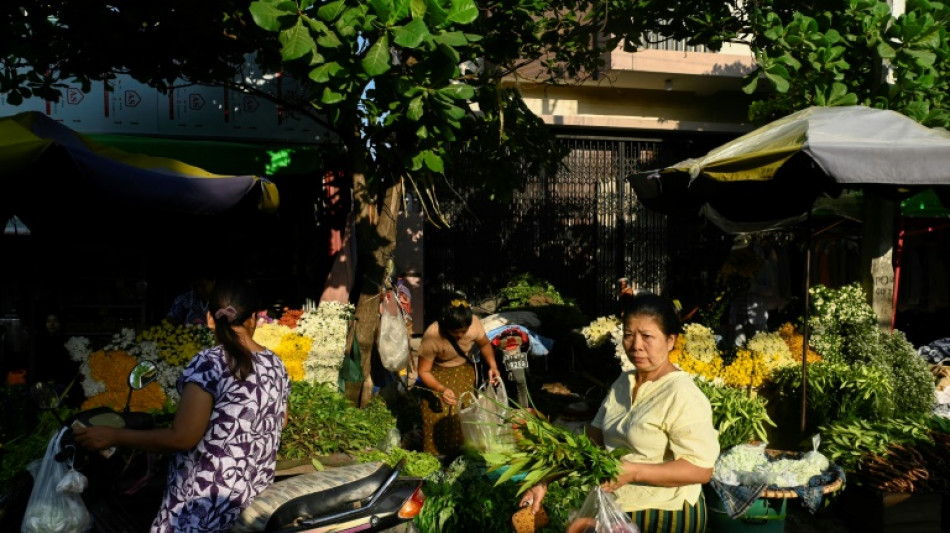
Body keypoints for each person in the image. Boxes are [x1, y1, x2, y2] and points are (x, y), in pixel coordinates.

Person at [75, 279, 290, 532]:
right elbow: (280, 420)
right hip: (252, 504)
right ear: (254, 318)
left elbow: (183, 438)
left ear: (210, 318)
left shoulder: (209, 362)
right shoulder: (275, 364)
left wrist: (114, 435)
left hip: (203, 506)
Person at [519, 293, 719, 533]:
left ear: (670, 341)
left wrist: (633, 471)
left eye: (647, 336)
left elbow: (701, 469)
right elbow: (591, 445)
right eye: (628, 335)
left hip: (666, 515)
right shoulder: (624, 382)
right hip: (618, 510)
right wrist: (544, 481)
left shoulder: (681, 393)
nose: (636, 345)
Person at [416, 295, 501, 458]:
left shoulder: (474, 324)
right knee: (437, 419)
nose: (461, 335)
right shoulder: (432, 335)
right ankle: (437, 460)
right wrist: (441, 389)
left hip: (464, 372)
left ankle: (462, 457)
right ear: (445, 325)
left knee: (463, 417)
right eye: (456, 332)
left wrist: (493, 366)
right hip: (437, 374)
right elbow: (423, 371)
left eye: (464, 330)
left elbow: (484, 344)